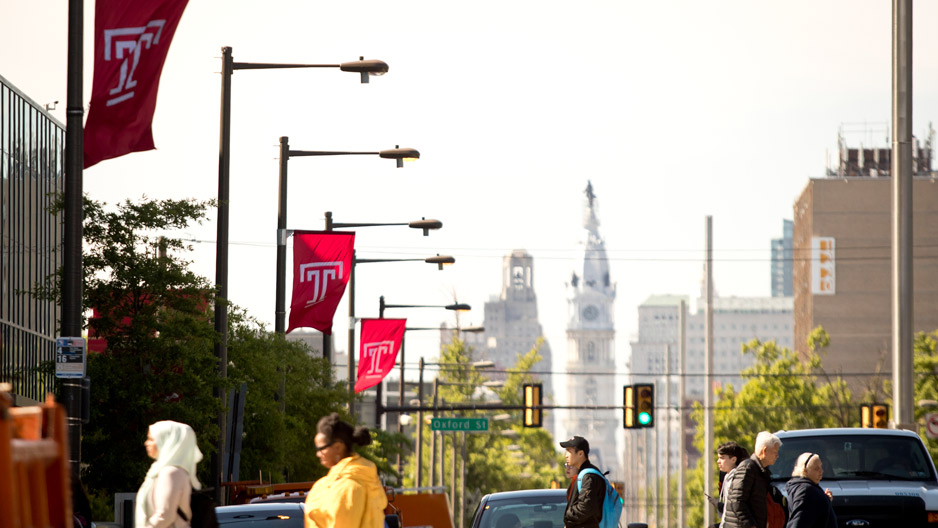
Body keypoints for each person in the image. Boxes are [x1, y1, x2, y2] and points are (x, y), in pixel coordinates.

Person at [305, 413, 388, 528]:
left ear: (338, 447)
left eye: (321, 448)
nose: (318, 454)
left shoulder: (348, 487)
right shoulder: (358, 479)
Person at [135, 420, 203, 528]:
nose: (146, 443)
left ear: (167, 441)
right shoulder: (163, 471)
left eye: (151, 439)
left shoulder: (171, 473)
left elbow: (165, 515)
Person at [722, 431, 782, 528]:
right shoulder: (747, 468)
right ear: (764, 451)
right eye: (775, 452)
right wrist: (750, 525)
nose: (777, 456)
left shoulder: (761, 471)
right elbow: (737, 501)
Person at [560, 435, 605, 528]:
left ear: (580, 454)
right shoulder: (584, 474)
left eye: (569, 451)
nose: (566, 455)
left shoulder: (589, 477)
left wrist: (568, 515)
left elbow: (585, 508)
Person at [785, 452, 836, 528]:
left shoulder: (808, 488)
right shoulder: (805, 490)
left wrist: (825, 499)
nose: (821, 471)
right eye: (816, 468)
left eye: (821, 467)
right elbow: (798, 522)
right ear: (805, 471)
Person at [708, 441, 750, 524]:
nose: (718, 461)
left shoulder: (736, 477)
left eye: (722, 458)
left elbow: (736, 507)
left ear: (733, 459)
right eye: (718, 457)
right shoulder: (727, 476)